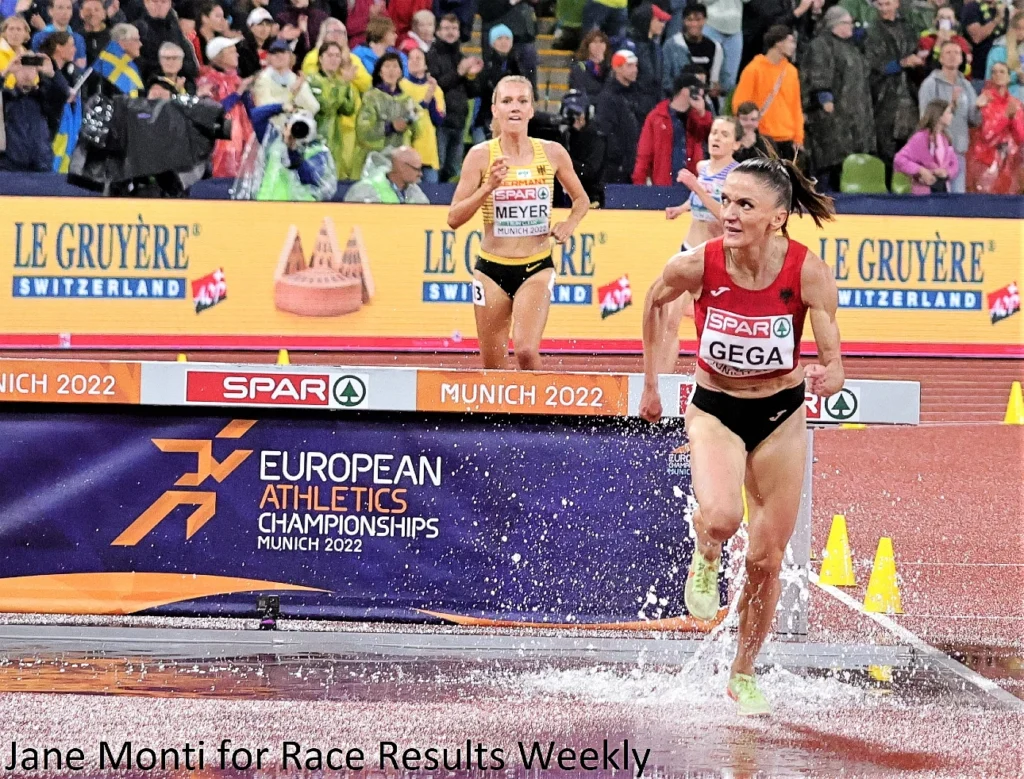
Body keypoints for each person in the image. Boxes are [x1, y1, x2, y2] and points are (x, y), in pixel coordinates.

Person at [639, 155, 842, 717]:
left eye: (744, 205)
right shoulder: (697, 264)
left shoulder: (807, 271)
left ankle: (743, 671)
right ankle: (706, 549)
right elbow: (653, 305)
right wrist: (652, 384)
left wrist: (831, 373)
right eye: (726, 201)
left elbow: (834, 356)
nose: (728, 214)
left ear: (777, 217)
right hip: (716, 409)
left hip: (782, 415)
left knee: (766, 558)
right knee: (725, 518)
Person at [447, 75, 589, 371]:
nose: (515, 107)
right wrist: (487, 188)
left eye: (522, 101)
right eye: (507, 101)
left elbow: (582, 200)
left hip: (536, 266)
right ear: (495, 109)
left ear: (532, 110)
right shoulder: (480, 156)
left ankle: (539, 416)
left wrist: (569, 224)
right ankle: (503, 417)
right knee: (494, 368)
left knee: (525, 349)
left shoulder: (552, 152)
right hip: (490, 270)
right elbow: (454, 218)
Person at [801, 6, 877, 191]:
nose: (851, 26)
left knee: (852, 163)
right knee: (832, 163)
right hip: (832, 117)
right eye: (847, 23)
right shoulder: (821, 45)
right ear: (835, 24)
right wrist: (825, 98)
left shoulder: (852, 47)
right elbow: (817, 74)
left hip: (855, 115)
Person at [865, 0, 922, 187]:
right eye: (880, 4)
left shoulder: (908, 27)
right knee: (886, 148)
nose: (883, 8)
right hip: (885, 98)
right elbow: (873, 64)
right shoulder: (873, 31)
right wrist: (902, 63)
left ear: (897, 4)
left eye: (887, 3)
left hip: (910, 96)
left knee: (910, 146)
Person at [234, 102, 338, 200]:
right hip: (266, 203)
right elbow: (256, 115)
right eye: (294, 125)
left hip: (298, 210)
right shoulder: (273, 141)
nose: (298, 129)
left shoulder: (319, 151)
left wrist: (292, 150)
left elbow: (309, 179)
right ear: (286, 126)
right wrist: (281, 107)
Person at [732, 25, 803, 161]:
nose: (793, 46)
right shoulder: (753, 69)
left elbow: (796, 106)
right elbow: (740, 105)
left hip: (788, 140)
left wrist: (798, 137)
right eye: (790, 41)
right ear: (778, 42)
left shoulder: (791, 71)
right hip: (762, 138)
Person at [918, 40, 980, 192]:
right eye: (948, 53)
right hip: (936, 155)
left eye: (957, 53)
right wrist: (951, 105)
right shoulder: (930, 84)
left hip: (958, 152)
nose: (953, 56)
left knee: (958, 201)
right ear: (940, 59)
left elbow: (975, 120)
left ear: (961, 59)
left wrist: (979, 108)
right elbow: (926, 119)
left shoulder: (966, 85)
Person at [427, 13, 482, 180]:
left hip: (459, 122)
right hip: (440, 122)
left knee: (453, 171)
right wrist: (459, 72)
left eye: (454, 28)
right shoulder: (431, 56)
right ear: (437, 32)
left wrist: (471, 76)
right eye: (446, 28)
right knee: (438, 167)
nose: (450, 32)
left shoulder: (461, 57)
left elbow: (472, 92)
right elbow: (436, 86)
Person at [632, 72, 713, 186]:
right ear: (684, 90)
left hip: (693, 184)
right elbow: (644, 153)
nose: (701, 93)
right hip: (664, 183)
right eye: (697, 89)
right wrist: (639, 183)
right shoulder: (656, 116)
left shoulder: (697, 116)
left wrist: (702, 113)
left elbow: (709, 137)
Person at [198, 36, 255, 177]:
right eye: (231, 51)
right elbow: (213, 112)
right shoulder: (208, 81)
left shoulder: (237, 79)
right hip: (222, 143)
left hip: (243, 139)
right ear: (219, 56)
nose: (237, 54)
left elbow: (249, 111)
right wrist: (238, 92)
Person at [354, 51, 417, 177]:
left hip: (399, 161)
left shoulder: (407, 99)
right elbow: (363, 130)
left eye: (395, 66)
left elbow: (417, 130)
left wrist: (411, 122)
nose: (391, 71)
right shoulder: (371, 97)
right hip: (373, 160)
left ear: (400, 72)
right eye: (387, 66)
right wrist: (390, 127)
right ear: (380, 72)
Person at [1, 54, 68, 171]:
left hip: (41, 167)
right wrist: (5, 72)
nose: (26, 73)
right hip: (10, 167)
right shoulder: (6, 98)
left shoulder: (44, 98)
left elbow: (62, 93)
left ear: (37, 71)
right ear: (15, 72)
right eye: (22, 68)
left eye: (31, 69)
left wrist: (53, 73)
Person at [966, 60, 1024, 193]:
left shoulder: (1015, 103)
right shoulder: (985, 100)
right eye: (994, 72)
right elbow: (987, 134)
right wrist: (1006, 116)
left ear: (1009, 77)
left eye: (1002, 71)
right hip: (985, 161)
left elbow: (1021, 137)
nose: (998, 75)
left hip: (1009, 164)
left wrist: (1013, 118)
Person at [307, 40, 359, 178]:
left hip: (335, 142)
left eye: (337, 56)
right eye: (330, 55)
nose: (334, 59)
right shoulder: (313, 80)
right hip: (317, 140)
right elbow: (325, 107)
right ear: (320, 58)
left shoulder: (338, 81)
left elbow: (349, 109)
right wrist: (343, 84)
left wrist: (346, 85)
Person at [595, 48, 645, 184]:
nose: (635, 70)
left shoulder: (638, 93)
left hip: (633, 163)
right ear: (617, 68)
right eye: (629, 66)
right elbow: (607, 132)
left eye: (635, 65)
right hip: (616, 168)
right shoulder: (607, 97)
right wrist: (620, 161)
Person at [894, 99, 959, 193]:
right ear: (939, 115)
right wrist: (920, 170)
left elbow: (954, 164)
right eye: (949, 113)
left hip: (943, 190)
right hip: (924, 193)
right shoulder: (920, 138)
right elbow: (899, 159)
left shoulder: (946, 138)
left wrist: (946, 172)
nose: (952, 116)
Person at [400, 45, 444, 182]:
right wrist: (424, 101)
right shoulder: (401, 86)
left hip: (428, 151)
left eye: (418, 58)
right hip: (407, 150)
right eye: (411, 58)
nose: (414, 61)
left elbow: (439, 120)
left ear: (426, 64)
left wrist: (430, 99)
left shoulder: (435, 89)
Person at [663, 4, 723, 99]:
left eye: (698, 20)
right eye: (690, 20)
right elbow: (665, 80)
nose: (694, 24)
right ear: (683, 21)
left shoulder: (715, 47)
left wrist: (714, 89)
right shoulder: (671, 45)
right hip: (676, 99)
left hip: (704, 101)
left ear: (705, 20)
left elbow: (714, 80)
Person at [134, 0, 199, 83]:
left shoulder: (175, 28)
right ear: (146, 3)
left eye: (163, 2)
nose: (159, 5)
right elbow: (139, 63)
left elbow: (192, 67)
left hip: (180, 82)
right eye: (155, 2)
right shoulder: (137, 30)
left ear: (170, 4)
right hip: (150, 83)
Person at [343, 144, 430, 201]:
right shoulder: (365, 190)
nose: (421, 174)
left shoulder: (414, 191)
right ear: (401, 167)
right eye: (417, 169)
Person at [30, 0, 86, 68]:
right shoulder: (39, 37)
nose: (65, 12)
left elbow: (81, 67)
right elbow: (36, 65)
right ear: (50, 11)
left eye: (69, 8)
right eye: (60, 8)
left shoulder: (78, 38)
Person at [95, 23, 144, 96]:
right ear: (122, 43)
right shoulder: (107, 67)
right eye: (136, 40)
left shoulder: (136, 64)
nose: (140, 44)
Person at [985, 10, 1023, 100]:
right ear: (1012, 28)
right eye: (1019, 28)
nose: (1021, 32)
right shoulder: (998, 50)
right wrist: (1017, 75)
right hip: (1002, 97)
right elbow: (989, 81)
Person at [568, 28, 608, 102]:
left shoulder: (610, 68)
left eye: (602, 42)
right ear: (588, 46)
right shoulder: (579, 68)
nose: (598, 45)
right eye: (594, 42)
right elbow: (581, 92)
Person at [78, 0, 112, 65]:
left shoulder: (112, 37)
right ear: (81, 13)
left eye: (97, 10)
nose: (92, 14)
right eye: (88, 10)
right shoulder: (76, 38)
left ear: (104, 14)